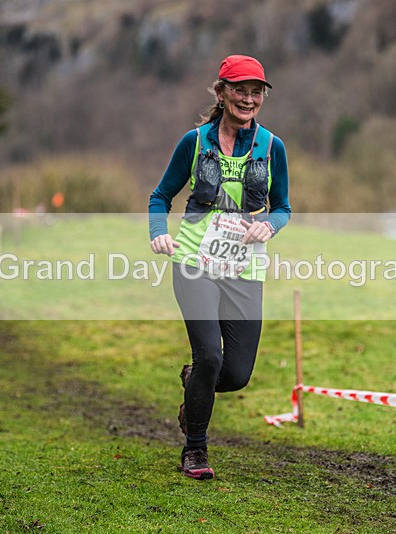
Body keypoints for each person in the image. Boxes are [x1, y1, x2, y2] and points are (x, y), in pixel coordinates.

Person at [148, 55, 291, 480]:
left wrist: (269, 224)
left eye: (256, 92)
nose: (248, 99)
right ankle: (195, 449)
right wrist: (159, 232)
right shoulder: (193, 143)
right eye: (240, 90)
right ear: (221, 92)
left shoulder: (272, 147)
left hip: (244, 268)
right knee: (210, 355)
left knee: (238, 374)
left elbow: (282, 207)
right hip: (195, 261)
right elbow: (160, 196)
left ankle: (194, 381)